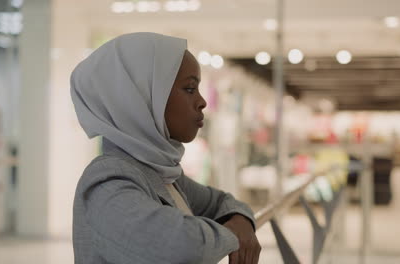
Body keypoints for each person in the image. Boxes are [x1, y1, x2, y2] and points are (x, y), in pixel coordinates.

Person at [70, 32, 260, 264]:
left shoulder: (161, 174)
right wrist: (233, 234)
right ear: (142, 98)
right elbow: (180, 247)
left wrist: (239, 218)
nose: (202, 102)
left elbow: (223, 202)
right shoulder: (108, 181)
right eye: (190, 89)